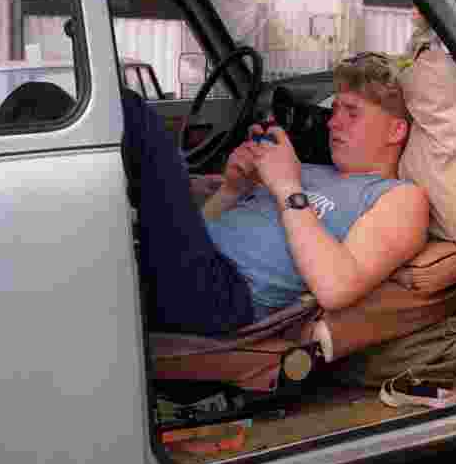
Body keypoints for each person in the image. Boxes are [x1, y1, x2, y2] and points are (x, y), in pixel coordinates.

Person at [123, 52, 429, 336]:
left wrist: (287, 186)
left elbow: (336, 288)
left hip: (225, 296)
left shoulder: (399, 198)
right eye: (335, 110)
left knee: (135, 115)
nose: (333, 122)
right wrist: (233, 189)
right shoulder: (306, 169)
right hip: (191, 268)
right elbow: (202, 233)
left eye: (352, 113)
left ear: (396, 131)